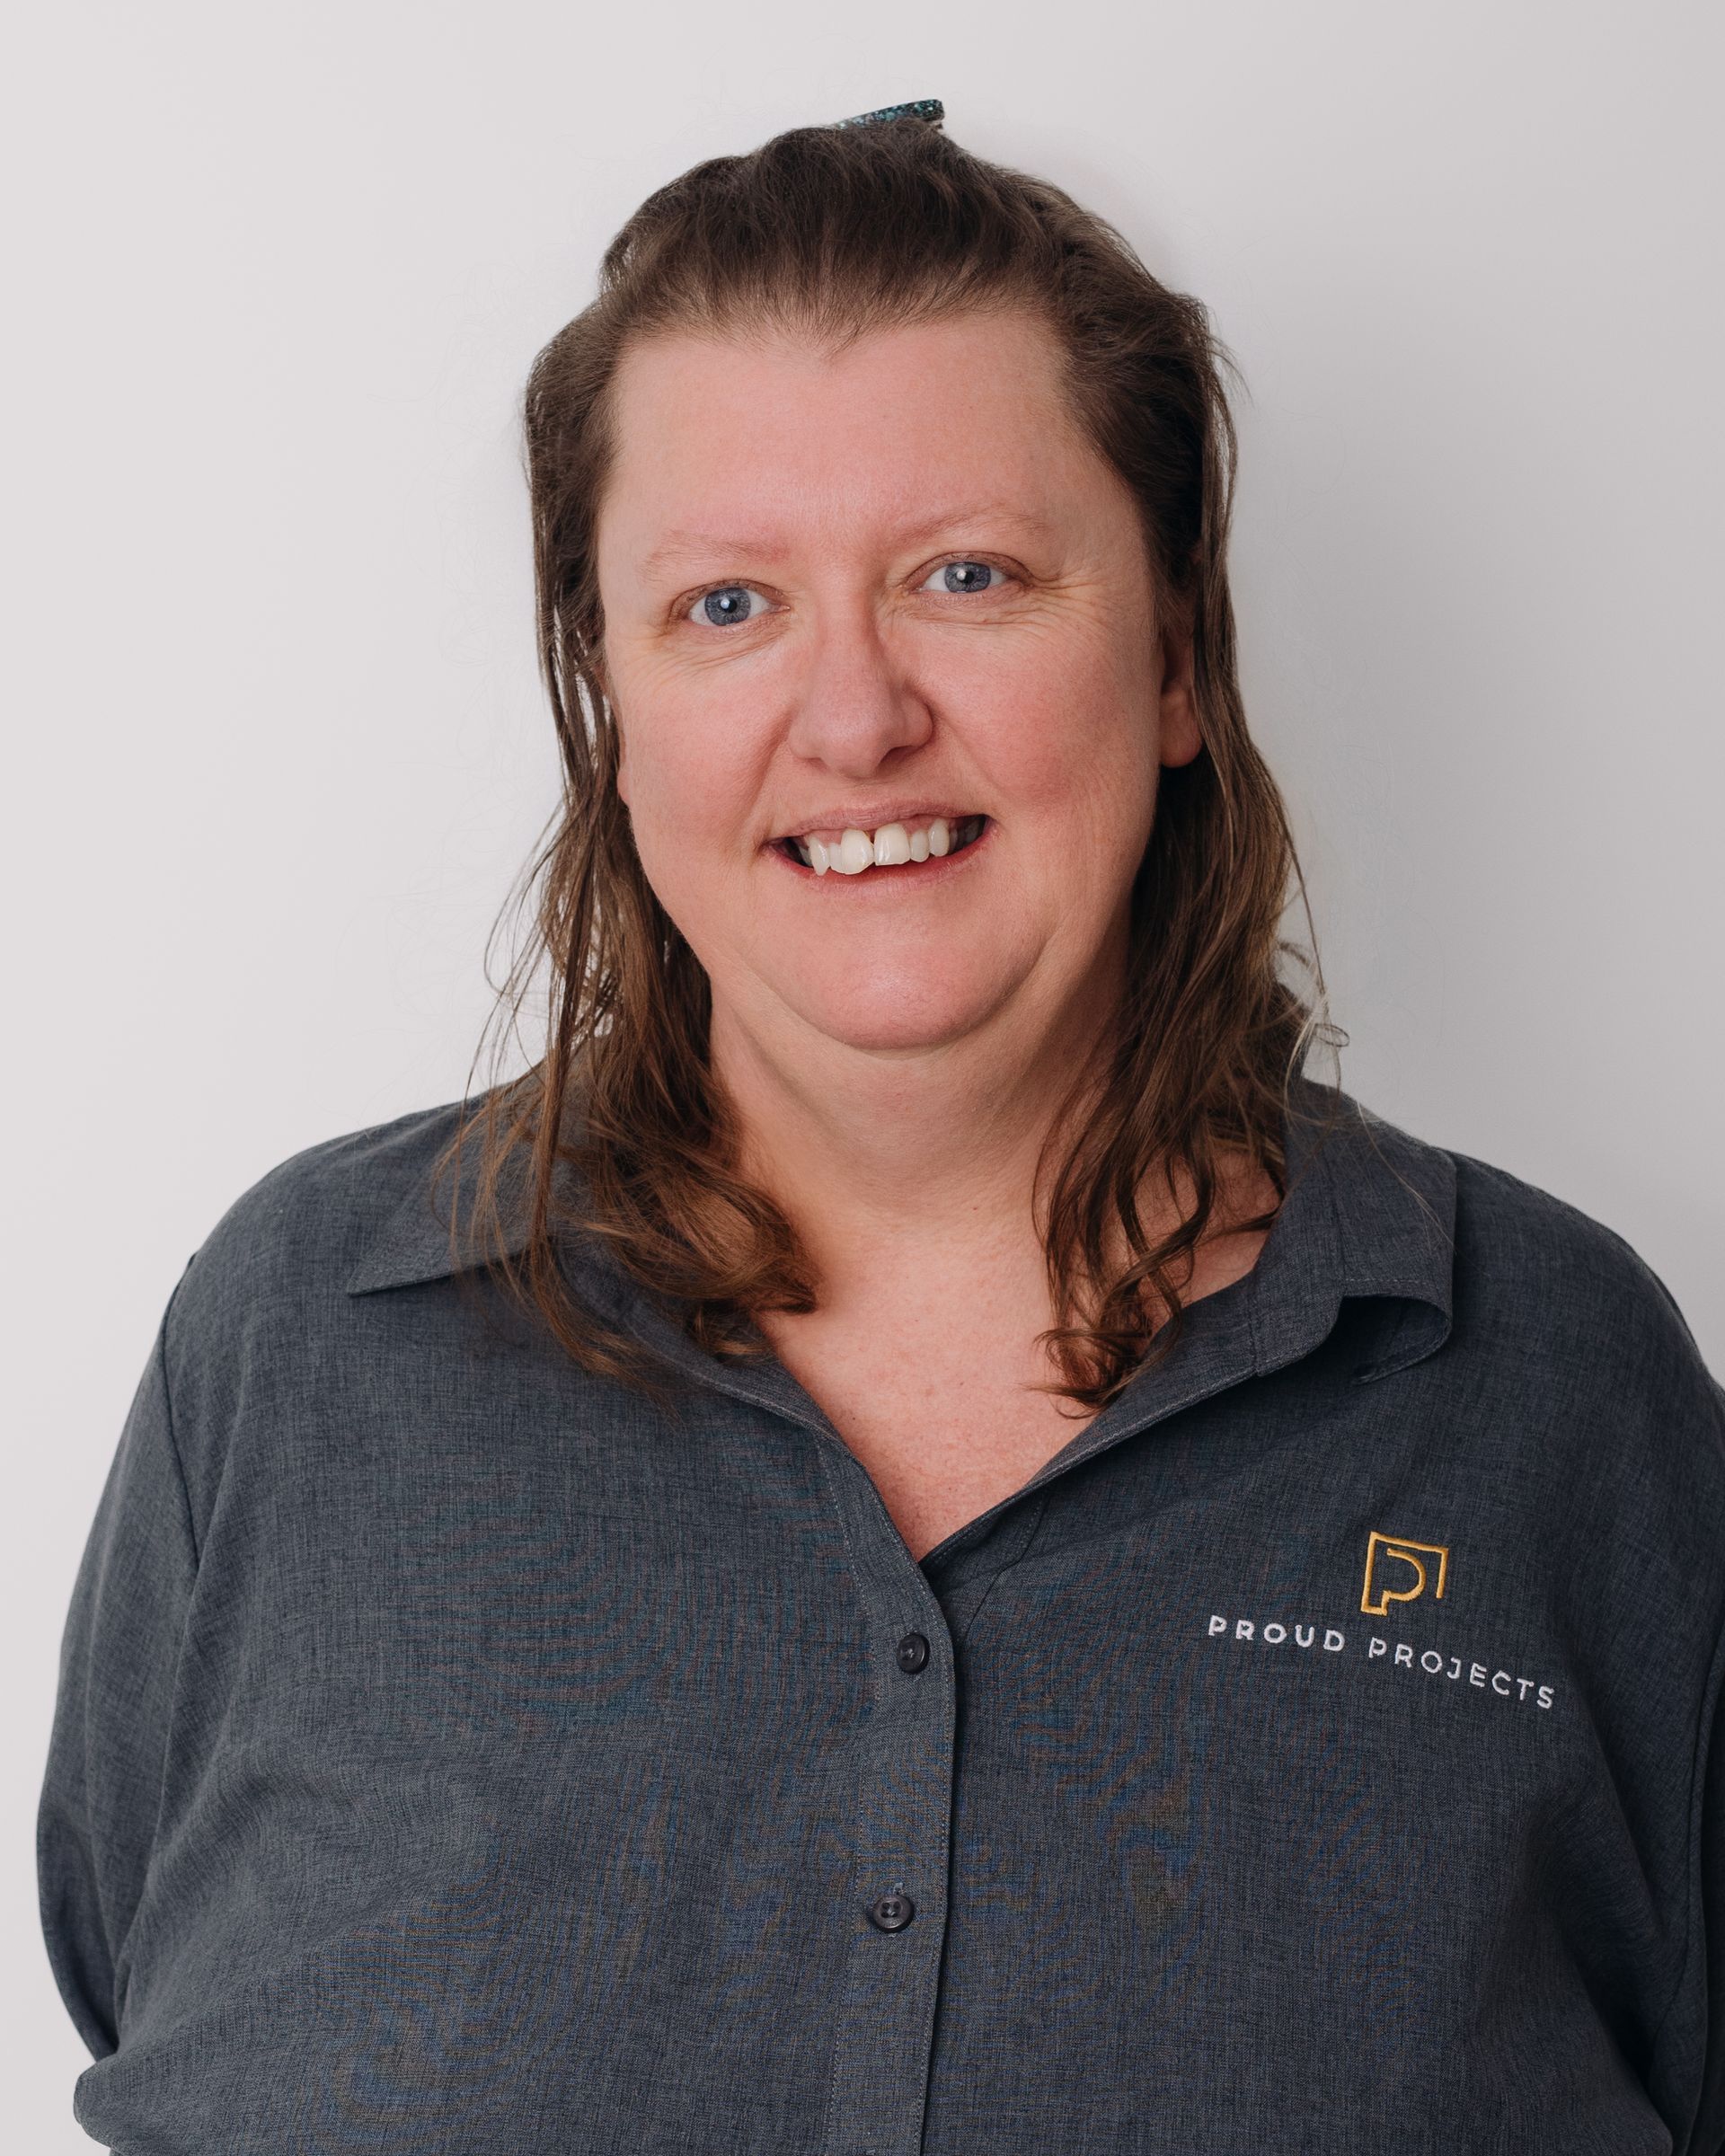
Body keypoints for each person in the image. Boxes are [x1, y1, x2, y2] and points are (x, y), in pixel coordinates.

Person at [37, 103, 1725, 2154]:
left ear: (1176, 658)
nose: (854, 721)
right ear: (611, 703)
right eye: (725, 606)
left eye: (968, 576)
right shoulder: (299, 1340)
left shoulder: (1561, 1394)